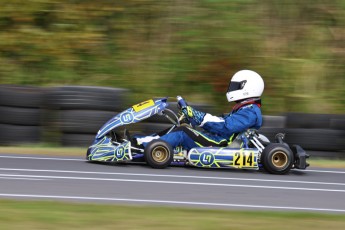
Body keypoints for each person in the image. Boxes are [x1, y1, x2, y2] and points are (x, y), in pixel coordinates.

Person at [135, 69, 264, 150]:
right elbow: (222, 121)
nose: (231, 89)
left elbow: (226, 127)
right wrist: (194, 117)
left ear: (248, 88)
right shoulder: (245, 109)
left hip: (221, 143)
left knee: (183, 132)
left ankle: (145, 147)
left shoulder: (250, 112)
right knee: (181, 126)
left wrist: (197, 116)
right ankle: (141, 141)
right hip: (217, 138)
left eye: (235, 86)